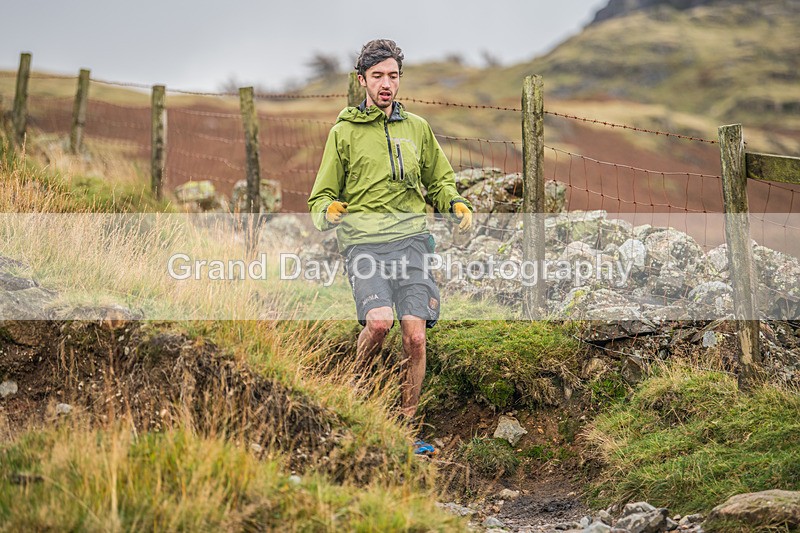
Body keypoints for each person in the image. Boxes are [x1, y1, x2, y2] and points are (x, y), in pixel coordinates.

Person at [307, 39, 473, 453]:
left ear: (400, 80)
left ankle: (406, 428)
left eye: (393, 76)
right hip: (364, 245)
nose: (386, 84)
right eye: (378, 76)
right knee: (379, 323)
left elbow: (439, 179)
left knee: (415, 336)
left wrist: (453, 202)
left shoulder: (417, 128)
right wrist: (328, 211)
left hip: (413, 244)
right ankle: (353, 402)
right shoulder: (342, 133)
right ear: (361, 80)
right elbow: (319, 196)